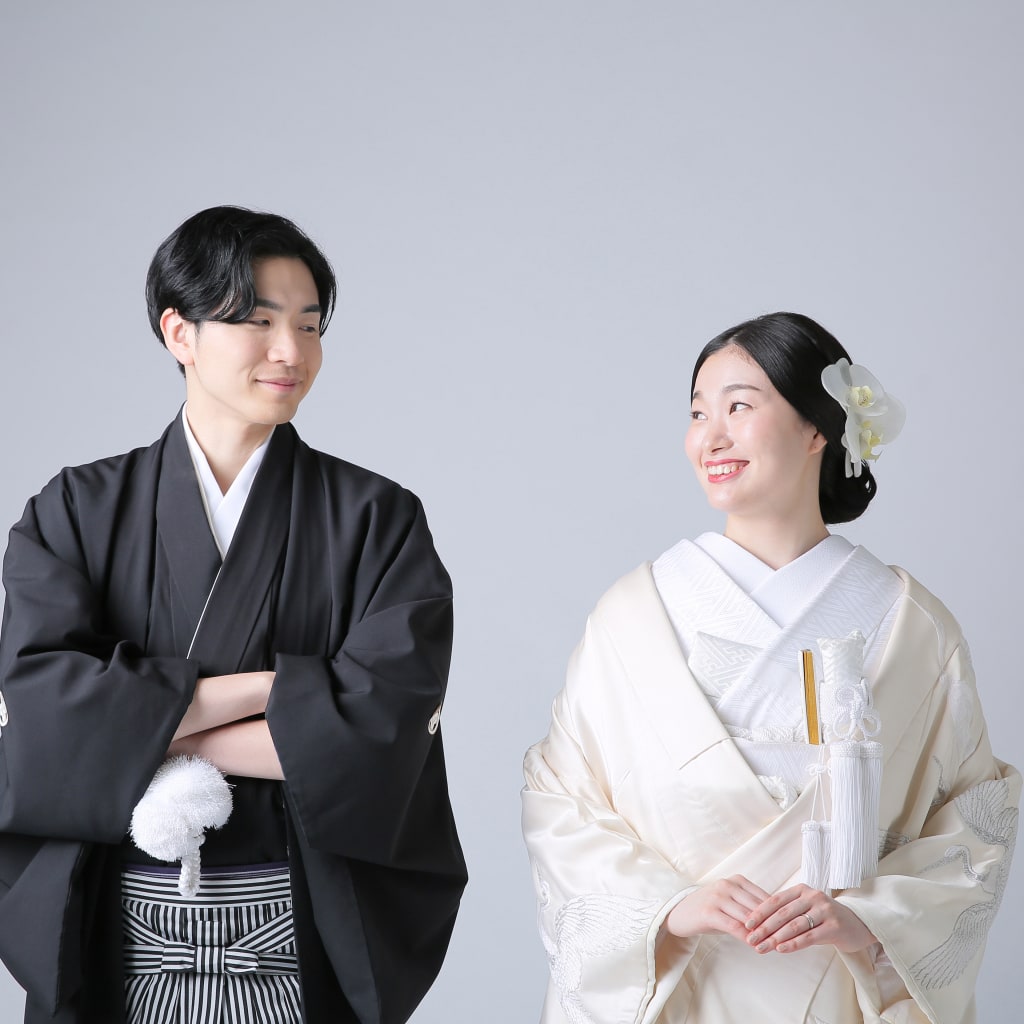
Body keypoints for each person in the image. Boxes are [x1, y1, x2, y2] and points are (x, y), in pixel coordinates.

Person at [0, 206, 467, 1024]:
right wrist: (279, 692)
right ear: (179, 332)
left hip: (293, 936)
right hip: (116, 933)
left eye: (309, 325)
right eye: (258, 320)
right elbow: (42, 721)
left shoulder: (376, 519)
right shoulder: (75, 509)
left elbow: (383, 735)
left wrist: (135, 733)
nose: (292, 351)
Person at [522, 312, 1019, 1024]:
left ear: (818, 427)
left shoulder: (914, 626)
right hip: (684, 986)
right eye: (698, 412)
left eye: (739, 407)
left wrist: (873, 917)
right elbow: (559, 803)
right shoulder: (631, 616)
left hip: (838, 992)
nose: (710, 437)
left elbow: (975, 824)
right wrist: (667, 907)